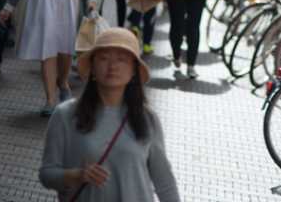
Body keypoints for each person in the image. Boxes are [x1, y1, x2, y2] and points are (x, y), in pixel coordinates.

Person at [39, 27, 180, 202]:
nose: (112, 66)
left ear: (134, 70)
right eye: (104, 58)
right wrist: (77, 175)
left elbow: (164, 182)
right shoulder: (65, 114)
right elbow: (47, 174)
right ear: (92, 67)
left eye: (122, 59)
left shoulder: (147, 119)